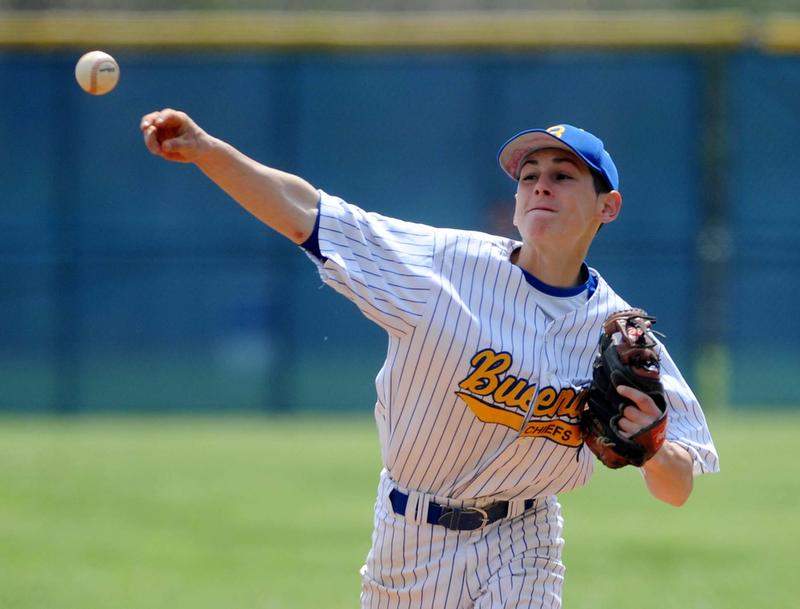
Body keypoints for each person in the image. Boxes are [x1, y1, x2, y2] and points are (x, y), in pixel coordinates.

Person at [140, 111, 719, 609]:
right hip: (410, 534)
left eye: (563, 176)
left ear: (607, 207)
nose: (541, 186)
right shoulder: (441, 266)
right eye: (530, 176)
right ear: (515, 202)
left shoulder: (617, 332)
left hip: (524, 536)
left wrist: (650, 445)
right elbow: (307, 213)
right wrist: (206, 151)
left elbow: (677, 488)